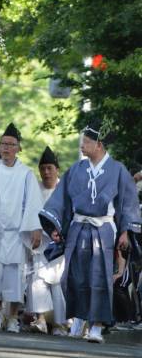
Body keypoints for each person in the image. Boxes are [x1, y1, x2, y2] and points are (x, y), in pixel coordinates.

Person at [39, 120, 141, 343]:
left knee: (100, 277)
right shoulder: (76, 170)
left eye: (86, 141)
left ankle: (96, 324)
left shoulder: (118, 171)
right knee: (74, 276)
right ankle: (78, 317)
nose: (82, 145)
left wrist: (125, 232)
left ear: (99, 144)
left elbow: (128, 204)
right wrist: (57, 227)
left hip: (103, 229)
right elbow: (61, 200)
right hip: (77, 228)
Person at [0, 123, 44, 333]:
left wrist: (35, 228)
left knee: (14, 276)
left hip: (15, 232)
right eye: (3, 143)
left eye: (11, 144)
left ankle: (12, 317)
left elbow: (33, 202)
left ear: (18, 148)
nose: (6, 148)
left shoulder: (26, 174)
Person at [28, 146, 67, 336]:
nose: (46, 172)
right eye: (43, 168)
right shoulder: (35, 188)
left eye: (50, 168)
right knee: (37, 280)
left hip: (59, 244)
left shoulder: (64, 189)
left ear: (57, 169)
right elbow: (29, 213)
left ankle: (60, 324)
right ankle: (41, 319)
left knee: (58, 283)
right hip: (40, 241)